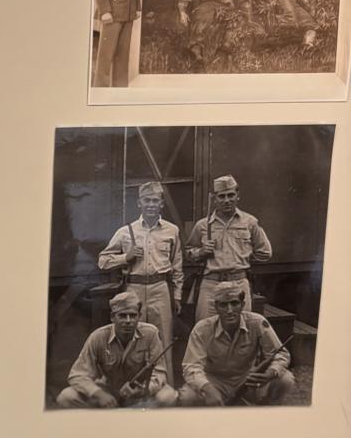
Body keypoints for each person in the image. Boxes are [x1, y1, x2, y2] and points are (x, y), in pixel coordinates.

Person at [98, 181, 183, 384]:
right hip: (134, 289)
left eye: (155, 200)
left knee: (162, 340)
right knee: (133, 338)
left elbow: (177, 267)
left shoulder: (172, 231)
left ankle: (164, 388)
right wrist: (125, 258)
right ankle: (131, 389)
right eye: (147, 200)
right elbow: (102, 261)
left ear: (162, 203)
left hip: (161, 288)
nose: (151, 205)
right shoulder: (126, 231)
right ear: (139, 203)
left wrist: (177, 296)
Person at [178, 282, 295, 406]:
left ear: (243, 305)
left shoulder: (257, 322)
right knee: (187, 396)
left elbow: (280, 354)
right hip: (214, 381)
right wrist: (207, 388)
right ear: (216, 307)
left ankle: (268, 416)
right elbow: (191, 366)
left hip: (247, 379)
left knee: (285, 379)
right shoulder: (202, 329)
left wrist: (270, 373)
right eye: (223, 305)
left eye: (234, 303)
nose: (229, 310)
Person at [56, 292, 178, 408]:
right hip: (109, 391)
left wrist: (144, 390)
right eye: (122, 316)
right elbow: (77, 374)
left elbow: (160, 372)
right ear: (112, 317)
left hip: (138, 392)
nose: (128, 321)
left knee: (168, 397)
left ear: (139, 317)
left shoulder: (150, 334)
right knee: (66, 397)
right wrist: (98, 394)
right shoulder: (98, 337)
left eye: (133, 315)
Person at [185, 174, 272, 321]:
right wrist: (201, 252)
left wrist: (243, 256)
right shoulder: (202, 225)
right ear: (214, 199)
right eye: (222, 196)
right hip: (210, 284)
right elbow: (188, 253)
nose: (227, 200)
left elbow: (265, 253)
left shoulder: (249, 222)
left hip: (238, 283)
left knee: (241, 326)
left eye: (231, 195)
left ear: (238, 196)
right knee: (206, 327)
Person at [178, 0, 239, 67]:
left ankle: (226, 45)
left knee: (233, 17)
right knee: (204, 19)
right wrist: (182, 13)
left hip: (221, 8)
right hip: (203, 8)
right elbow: (183, 2)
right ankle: (197, 54)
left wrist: (228, 2)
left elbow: (231, 3)